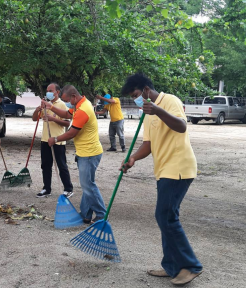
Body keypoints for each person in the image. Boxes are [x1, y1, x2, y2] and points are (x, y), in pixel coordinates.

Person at [120, 73, 203, 286]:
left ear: (146, 90)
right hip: (164, 169)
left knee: (165, 216)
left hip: (179, 168)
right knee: (166, 216)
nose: (136, 100)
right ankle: (172, 266)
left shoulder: (170, 101)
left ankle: (190, 266)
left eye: (137, 95)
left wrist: (158, 110)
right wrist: (133, 159)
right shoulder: (146, 114)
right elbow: (148, 143)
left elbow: (182, 126)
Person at [40, 85, 105, 223]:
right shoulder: (78, 105)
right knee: (86, 184)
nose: (67, 103)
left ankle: (101, 214)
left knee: (88, 185)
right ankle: (86, 214)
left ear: (73, 97)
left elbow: (71, 132)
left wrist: (55, 139)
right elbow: (66, 114)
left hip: (89, 153)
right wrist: (50, 106)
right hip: (85, 152)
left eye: (67, 100)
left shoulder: (83, 110)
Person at [33, 83, 73, 198]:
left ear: (57, 92)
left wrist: (52, 119)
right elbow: (35, 118)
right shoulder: (45, 104)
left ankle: (68, 188)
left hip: (57, 140)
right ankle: (46, 188)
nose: (48, 92)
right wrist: (38, 109)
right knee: (45, 165)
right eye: (47, 90)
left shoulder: (62, 105)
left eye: (50, 90)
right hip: (45, 139)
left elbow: (67, 123)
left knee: (61, 165)